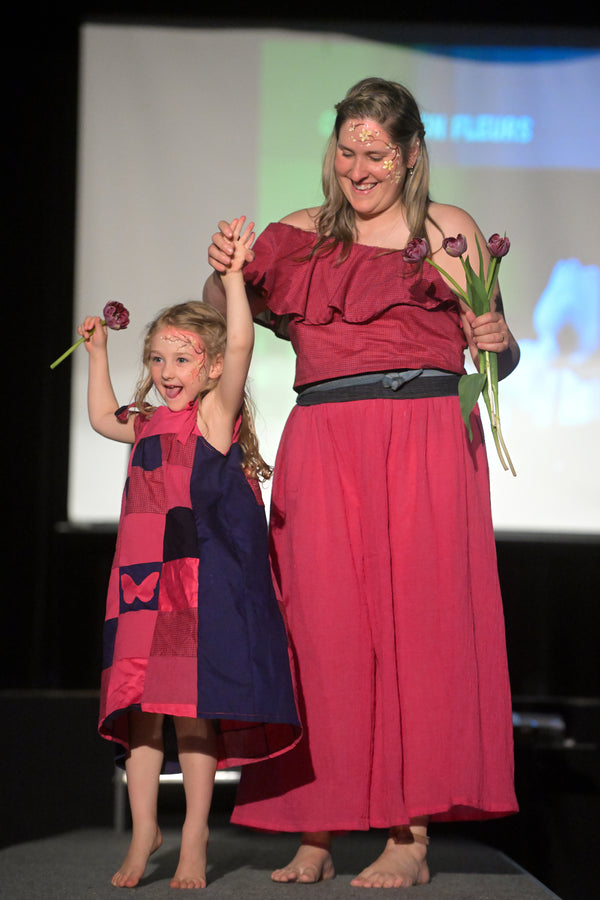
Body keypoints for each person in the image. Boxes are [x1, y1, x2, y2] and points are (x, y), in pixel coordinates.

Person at [204, 78, 520, 889]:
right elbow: (221, 318)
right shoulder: (299, 234)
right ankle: (317, 828)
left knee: (418, 629)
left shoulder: (449, 231)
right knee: (320, 631)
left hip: (426, 441)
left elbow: (500, 350)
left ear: (411, 155)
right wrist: (224, 272)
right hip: (328, 441)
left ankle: (409, 838)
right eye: (347, 151)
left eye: (376, 152)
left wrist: (498, 337)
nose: (358, 167)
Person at [78, 216, 300, 889]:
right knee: (140, 711)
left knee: (192, 713)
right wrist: (96, 354)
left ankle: (196, 834)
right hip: (140, 582)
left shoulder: (212, 416)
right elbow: (98, 417)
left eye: (181, 360)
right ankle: (145, 833)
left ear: (207, 368)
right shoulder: (146, 420)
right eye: (157, 360)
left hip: (199, 588)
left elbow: (240, 342)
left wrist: (234, 279)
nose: (167, 373)